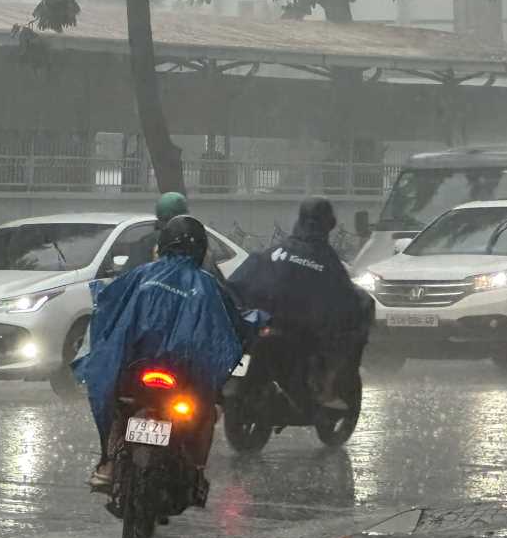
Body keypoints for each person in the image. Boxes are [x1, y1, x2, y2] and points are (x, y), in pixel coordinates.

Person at [76, 214, 251, 488]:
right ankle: (196, 472)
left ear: (163, 244)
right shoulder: (206, 284)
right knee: (206, 410)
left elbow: (108, 307)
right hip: (182, 371)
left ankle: (108, 464)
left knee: (116, 403)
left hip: (136, 367)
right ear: (201, 248)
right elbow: (232, 324)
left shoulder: (140, 276)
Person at [227, 198, 369, 411]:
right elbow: (346, 301)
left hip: (265, 326)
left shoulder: (273, 253)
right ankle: (326, 390)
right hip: (300, 333)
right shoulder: (327, 262)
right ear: (328, 225)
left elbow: (236, 285)